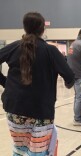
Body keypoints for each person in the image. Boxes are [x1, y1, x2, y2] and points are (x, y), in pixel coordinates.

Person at [0, 12, 74, 155]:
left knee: (19, 149)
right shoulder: (50, 50)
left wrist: (5, 83)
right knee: (38, 152)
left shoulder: (14, 47)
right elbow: (69, 76)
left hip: (14, 107)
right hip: (40, 110)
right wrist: (68, 84)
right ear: (42, 29)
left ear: (25, 28)